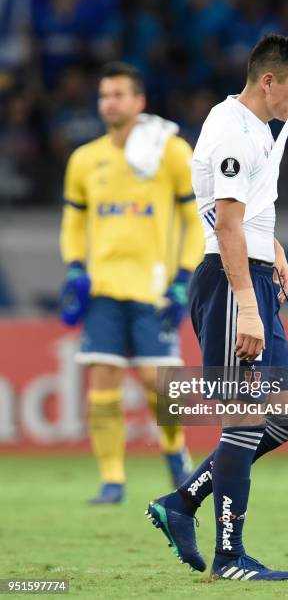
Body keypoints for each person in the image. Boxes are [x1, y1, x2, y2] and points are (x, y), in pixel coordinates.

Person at [146, 34, 288, 581]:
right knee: (243, 419)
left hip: (256, 273)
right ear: (268, 81)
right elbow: (225, 221)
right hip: (229, 281)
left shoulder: (256, 130)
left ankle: (182, 502)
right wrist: (246, 302)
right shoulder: (230, 130)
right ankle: (229, 556)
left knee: (285, 417)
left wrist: (275, 250)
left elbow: (250, 211)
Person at [60, 62, 204, 504]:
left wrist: (183, 277)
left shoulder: (171, 151)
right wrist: (74, 269)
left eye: (119, 94)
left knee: (157, 382)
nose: (110, 102)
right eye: (105, 95)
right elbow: (73, 221)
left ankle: (175, 452)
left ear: (139, 102)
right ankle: (112, 479)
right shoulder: (85, 159)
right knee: (102, 380)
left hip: (154, 288)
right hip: (104, 288)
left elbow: (194, 217)